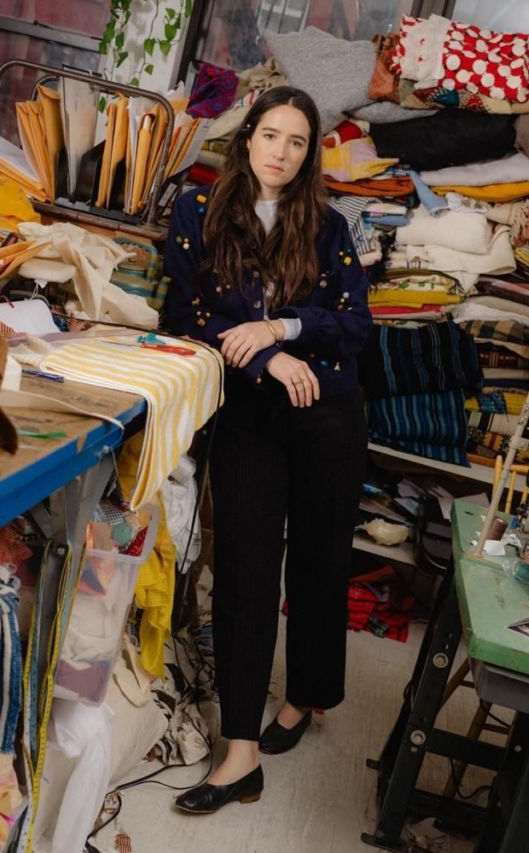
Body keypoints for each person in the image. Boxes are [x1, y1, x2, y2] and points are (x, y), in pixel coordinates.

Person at [162, 85, 372, 815]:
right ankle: (240, 752)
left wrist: (283, 329)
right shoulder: (196, 211)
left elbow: (354, 324)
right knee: (246, 576)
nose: (281, 151)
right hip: (249, 416)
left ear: (309, 154)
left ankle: (306, 697)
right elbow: (184, 314)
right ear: (247, 136)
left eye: (297, 141)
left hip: (328, 416)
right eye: (271, 134)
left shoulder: (330, 224)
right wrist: (265, 359)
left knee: (320, 564)